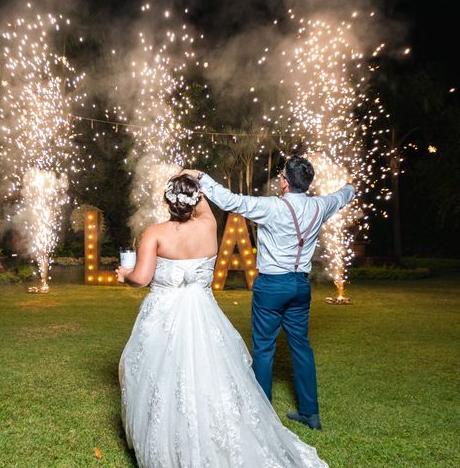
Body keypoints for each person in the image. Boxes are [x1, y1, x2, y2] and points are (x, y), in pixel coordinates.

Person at [116, 173, 328, 468]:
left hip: (164, 314)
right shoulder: (209, 226)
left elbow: (140, 279)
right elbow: (202, 206)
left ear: (167, 200)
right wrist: (193, 177)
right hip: (204, 312)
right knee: (208, 374)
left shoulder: (154, 233)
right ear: (196, 199)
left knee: (155, 374)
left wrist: (124, 275)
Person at [182, 156, 355, 431]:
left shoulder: (272, 207)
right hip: (300, 286)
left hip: (272, 286)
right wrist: (350, 186)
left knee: (264, 349)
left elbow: (230, 201)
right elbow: (343, 195)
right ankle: (311, 414)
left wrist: (201, 176)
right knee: (301, 347)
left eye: (282, 175)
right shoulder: (320, 206)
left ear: (285, 182)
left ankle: (262, 417)